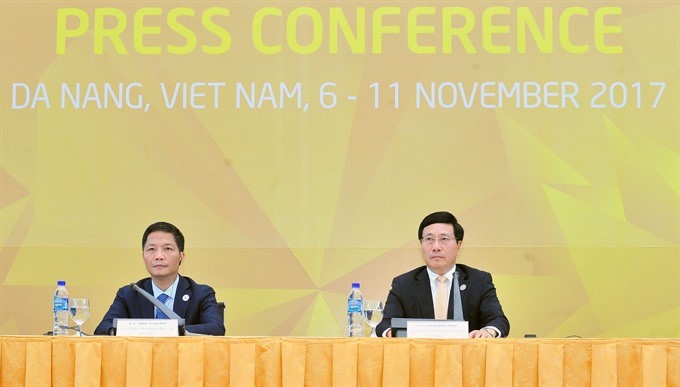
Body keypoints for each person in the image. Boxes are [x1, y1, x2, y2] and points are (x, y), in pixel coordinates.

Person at [376, 211, 509, 338]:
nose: (436, 247)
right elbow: (385, 324)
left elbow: (498, 320)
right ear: (421, 244)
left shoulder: (479, 281)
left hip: (466, 358)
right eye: (429, 239)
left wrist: (487, 332)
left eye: (444, 239)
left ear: (459, 245)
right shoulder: (403, 284)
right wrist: (394, 333)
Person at [94, 222, 226, 336]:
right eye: (151, 249)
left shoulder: (201, 294)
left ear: (181, 256)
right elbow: (103, 329)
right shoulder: (128, 294)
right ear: (143, 255)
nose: (159, 256)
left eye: (167, 249)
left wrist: (164, 330)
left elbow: (216, 328)